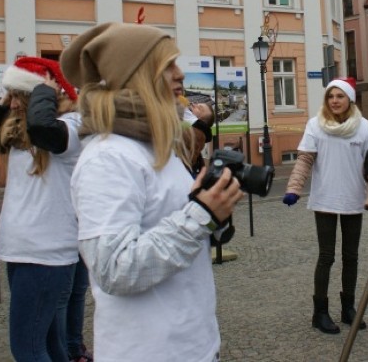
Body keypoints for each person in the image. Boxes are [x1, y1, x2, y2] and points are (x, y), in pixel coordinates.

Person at [60, 22, 243, 360]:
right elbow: (115, 268)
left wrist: (213, 211)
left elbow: (175, 228)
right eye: (167, 65)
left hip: (192, 345)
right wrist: (201, 216)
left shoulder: (156, 145)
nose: (179, 75)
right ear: (137, 74)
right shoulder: (108, 157)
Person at [0, 57, 82, 362]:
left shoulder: (73, 126)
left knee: (28, 349)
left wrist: (44, 91)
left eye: (21, 98)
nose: (15, 106)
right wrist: (3, 102)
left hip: (46, 251)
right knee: (51, 346)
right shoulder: (20, 130)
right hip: (19, 248)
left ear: (42, 97)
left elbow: (44, 128)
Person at [283, 77, 368, 334]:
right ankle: (320, 313)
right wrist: (293, 189)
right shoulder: (316, 125)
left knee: (351, 257)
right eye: (330, 96)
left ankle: (348, 308)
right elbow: (304, 161)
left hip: (352, 199)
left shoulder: (365, 128)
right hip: (325, 199)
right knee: (326, 256)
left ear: (350, 100)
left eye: (339, 96)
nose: (334, 101)